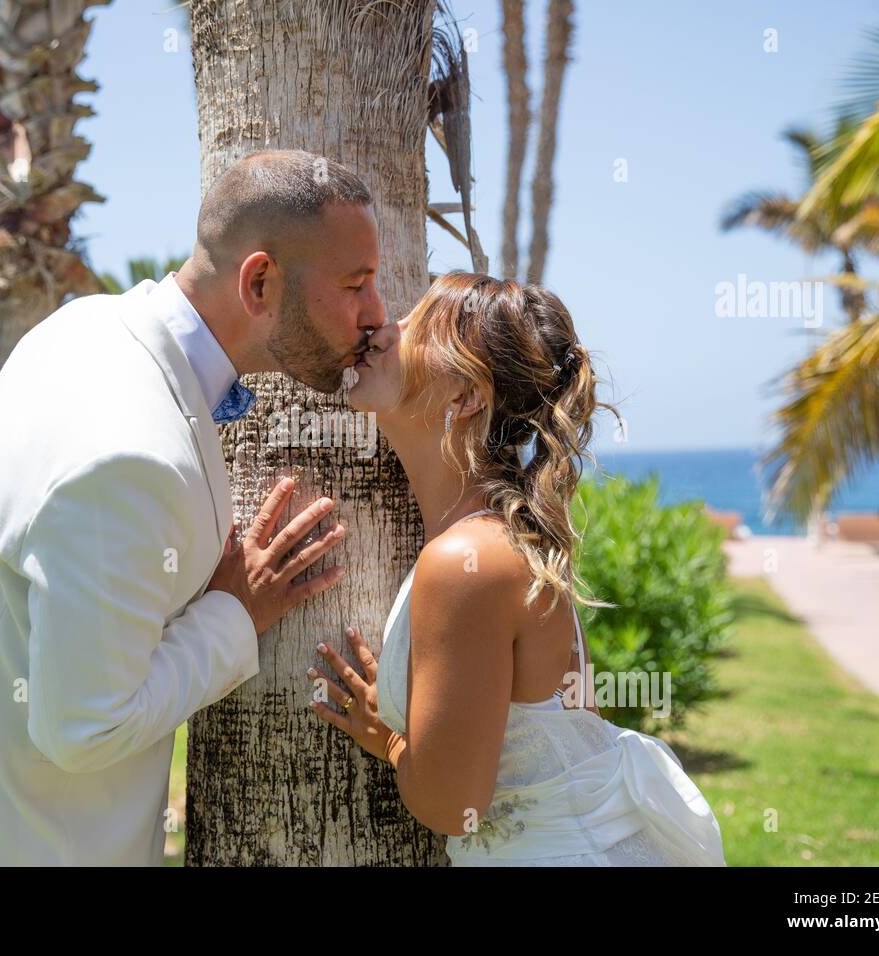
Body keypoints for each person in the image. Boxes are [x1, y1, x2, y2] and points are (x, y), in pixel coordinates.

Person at [0, 149, 386, 865]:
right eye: (356, 284)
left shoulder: (82, 328)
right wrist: (234, 612)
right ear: (259, 281)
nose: (377, 314)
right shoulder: (129, 456)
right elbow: (83, 728)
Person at [306, 272, 726, 866]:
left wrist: (391, 740)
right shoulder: (490, 544)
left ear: (465, 396)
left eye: (414, 325)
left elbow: (456, 808)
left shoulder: (468, 563)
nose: (383, 328)